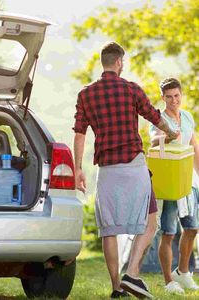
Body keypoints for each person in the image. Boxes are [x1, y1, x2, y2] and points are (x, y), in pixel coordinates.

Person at [73, 41, 179, 299]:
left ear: (104, 62)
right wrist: (172, 132)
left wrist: (78, 169)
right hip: (134, 164)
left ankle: (116, 287)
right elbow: (155, 116)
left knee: (109, 229)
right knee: (150, 220)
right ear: (119, 62)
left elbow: (79, 133)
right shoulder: (131, 89)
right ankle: (132, 273)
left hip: (107, 169)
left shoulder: (86, 94)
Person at [149, 77, 199, 294]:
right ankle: (169, 281)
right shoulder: (158, 118)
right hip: (169, 182)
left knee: (192, 228)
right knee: (169, 233)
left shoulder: (187, 116)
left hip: (189, 181)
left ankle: (183, 272)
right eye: (169, 97)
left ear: (181, 95)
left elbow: (194, 145)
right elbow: (154, 141)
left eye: (176, 96)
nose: (173, 100)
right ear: (163, 97)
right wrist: (168, 137)